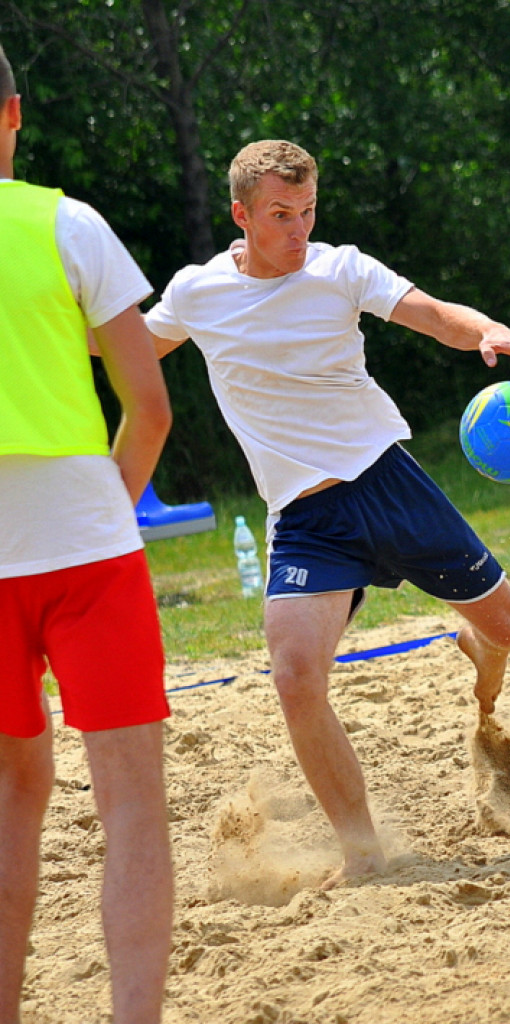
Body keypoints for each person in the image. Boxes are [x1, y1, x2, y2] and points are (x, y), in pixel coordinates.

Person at [144, 139, 510, 889]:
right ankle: (363, 849)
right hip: (304, 517)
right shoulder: (197, 293)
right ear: (242, 216)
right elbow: (130, 347)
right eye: (280, 215)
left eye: (308, 212)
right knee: (295, 677)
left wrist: (487, 329)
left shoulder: (340, 268)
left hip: (385, 481)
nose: (298, 229)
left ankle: (477, 644)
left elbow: (433, 315)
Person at [0, 44, 174, 1024]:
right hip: (84, 546)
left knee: (7, 796)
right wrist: (106, 503)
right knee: (132, 803)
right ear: (14, 113)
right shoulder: (69, 224)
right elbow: (148, 408)